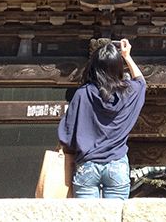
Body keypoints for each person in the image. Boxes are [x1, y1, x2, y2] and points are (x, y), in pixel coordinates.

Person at [58, 38, 145, 199]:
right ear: (118, 67)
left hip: (87, 165)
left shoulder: (82, 94)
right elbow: (141, 82)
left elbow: (67, 134)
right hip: (117, 164)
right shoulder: (129, 93)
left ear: (94, 68)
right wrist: (127, 56)